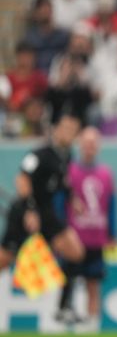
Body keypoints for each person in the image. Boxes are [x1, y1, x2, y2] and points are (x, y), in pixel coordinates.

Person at [0, 113, 85, 272]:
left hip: (46, 212)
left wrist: (72, 199)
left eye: (73, 130)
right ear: (55, 129)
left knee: (75, 252)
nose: (69, 133)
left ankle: (62, 285)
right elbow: (22, 179)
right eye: (66, 128)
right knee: (5, 258)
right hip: (25, 210)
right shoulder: (39, 153)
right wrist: (30, 210)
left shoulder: (66, 155)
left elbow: (62, 181)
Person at [58, 127, 117, 328]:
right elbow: (61, 204)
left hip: (96, 238)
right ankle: (65, 325)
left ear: (98, 146)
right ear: (80, 145)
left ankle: (91, 328)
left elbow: (112, 205)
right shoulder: (69, 172)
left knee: (93, 284)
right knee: (69, 283)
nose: (90, 147)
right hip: (73, 238)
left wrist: (112, 233)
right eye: (87, 142)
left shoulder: (106, 174)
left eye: (93, 143)